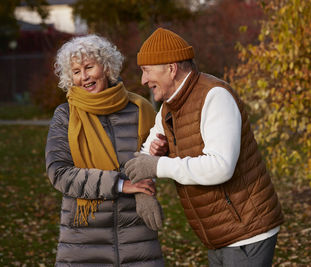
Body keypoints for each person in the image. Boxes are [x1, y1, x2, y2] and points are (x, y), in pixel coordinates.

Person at [124, 28, 284, 267]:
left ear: (171, 68)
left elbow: (221, 167)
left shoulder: (215, 96)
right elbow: (146, 155)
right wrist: (142, 190)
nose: (143, 80)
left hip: (247, 230)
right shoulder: (169, 107)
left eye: (147, 70)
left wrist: (159, 166)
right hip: (217, 232)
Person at [45, 34, 165, 266]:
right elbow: (59, 173)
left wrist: (160, 154)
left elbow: (153, 158)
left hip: (137, 234)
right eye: (76, 71)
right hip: (84, 240)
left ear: (107, 67)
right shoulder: (66, 115)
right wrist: (121, 184)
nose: (84, 77)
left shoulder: (140, 109)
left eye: (89, 67)